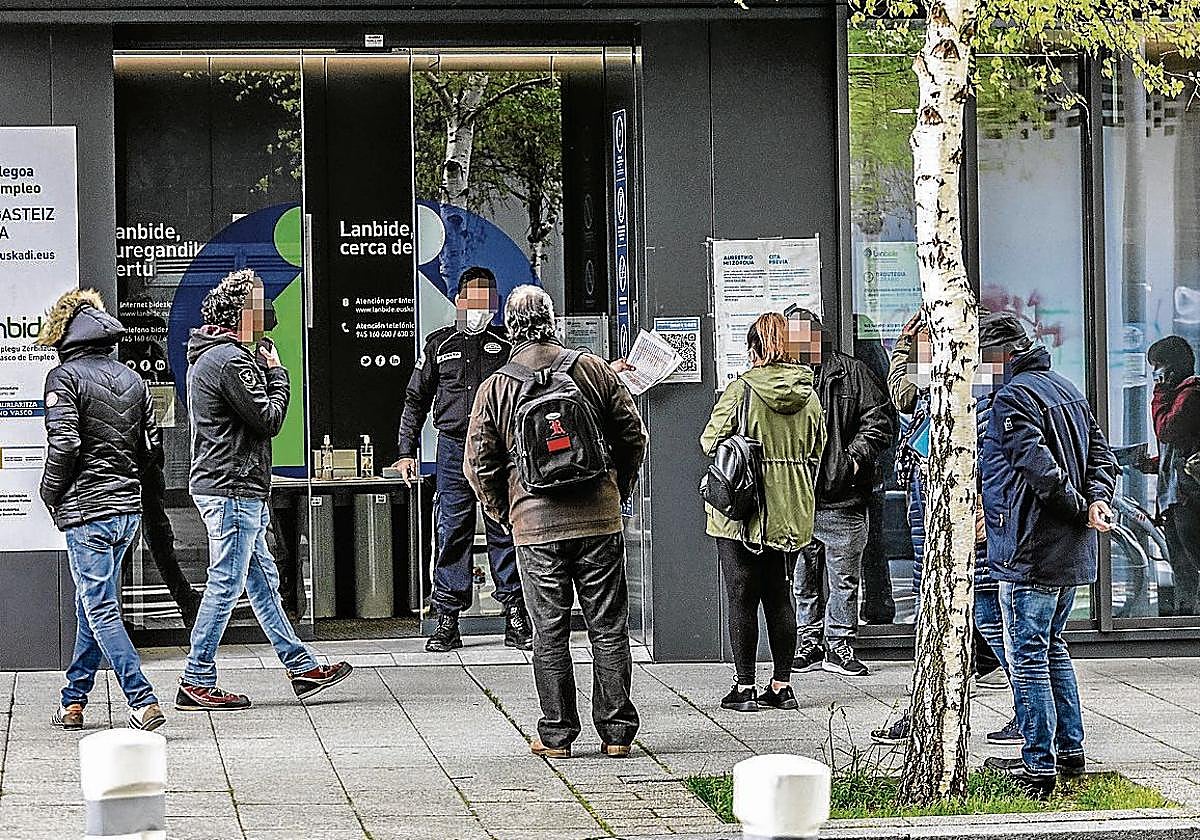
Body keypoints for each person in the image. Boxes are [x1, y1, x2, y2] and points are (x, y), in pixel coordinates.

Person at [465, 285, 647, 759]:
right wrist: (617, 489)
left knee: (549, 631)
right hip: (598, 520)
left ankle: (558, 735)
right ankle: (616, 734)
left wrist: (504, 513)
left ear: (510, 329)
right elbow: (633, 436)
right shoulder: (593, 369)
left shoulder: (496, 387)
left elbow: (478, 463)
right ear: (553, 321)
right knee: (608, 627)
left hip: (535, 526)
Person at [178, 269, 352, 711]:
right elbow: (269, 418)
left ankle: (301, 666)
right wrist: (278, 373)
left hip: (232, 483)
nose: (268, 308)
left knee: (261, 583)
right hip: (232, 485)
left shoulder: (212, 357)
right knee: (227, 581)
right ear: (240, 311)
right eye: (259, 300)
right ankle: (196, 678)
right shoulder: (230, 361)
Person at [979, 312, 1117, 797]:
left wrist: (1083, 509)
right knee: (1052, 647)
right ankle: (1070, 750)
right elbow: (1104, 458)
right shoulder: (1065, 388)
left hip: (1029, 547)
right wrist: (1096, 502)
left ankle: (1039, 765)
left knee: (1029, 655)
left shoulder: (1012, 397)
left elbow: (1039, 471)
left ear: (1002, 356)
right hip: (1062, 550)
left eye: (983, 358)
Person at [871, 311, 1018, 747]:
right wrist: (907, 348)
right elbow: (905, 395)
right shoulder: (945, 384)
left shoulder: (986, 389)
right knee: (935, 610)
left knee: (990, 611)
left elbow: (996, 460)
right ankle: (926, 708)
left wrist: (985, 513)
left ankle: (1026, 707)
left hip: (967, 510)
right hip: (931, 500)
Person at [38, 289, 165, 732]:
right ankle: (73, 700)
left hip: (87, 510)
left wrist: (50, 492)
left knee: (100, 608)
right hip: (126, 510)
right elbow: (152, 449)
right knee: (92, 605)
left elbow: (66, 443)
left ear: (65, 334)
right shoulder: (133, 380)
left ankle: (141, 698)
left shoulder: (64, 378)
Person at [394, 266, 532, 653]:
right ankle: (447, 620)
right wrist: (406, 452)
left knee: (503, 528)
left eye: (487, 300)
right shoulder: (438, 345)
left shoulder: (508, 346)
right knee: (451, 530)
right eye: (473, 300)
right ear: (458, 301)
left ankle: (515, 615)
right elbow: (415, 401)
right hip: (453, 448)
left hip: (500, 449)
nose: (480, 308)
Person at [701, 313, 825, 713]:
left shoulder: (743, 389)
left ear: (754, 349)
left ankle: (744, 688)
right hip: (790, 507)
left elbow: (710, 440)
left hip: (743, 506)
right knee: (779, 593)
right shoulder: (810, 394)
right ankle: (782, 685)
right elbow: (818, 449)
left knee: (741, 595)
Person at [788, 308, 894, 677]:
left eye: (804, 337)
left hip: (843, 494)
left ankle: (839, 645)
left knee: (844, 577)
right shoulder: (784, 379)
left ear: (818, 336)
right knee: (802, 576)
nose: (798, 345)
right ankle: (808, 642)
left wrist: (852, 461)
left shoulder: (852, 373)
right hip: (798, 498)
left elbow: (880, 421)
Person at [1135, 336, 1200, 616]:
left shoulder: (1191, 394)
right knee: (1181, 564)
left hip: (1188, 497)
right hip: (1176, 497)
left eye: (1158, 366)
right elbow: (1177, 449)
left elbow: (1167, 430)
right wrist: (1151, 464)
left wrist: (1159, 392)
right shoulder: (1180, 396)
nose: (1154, 373)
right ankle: (1186, 617)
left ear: (1171, 368)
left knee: (1190, 560)